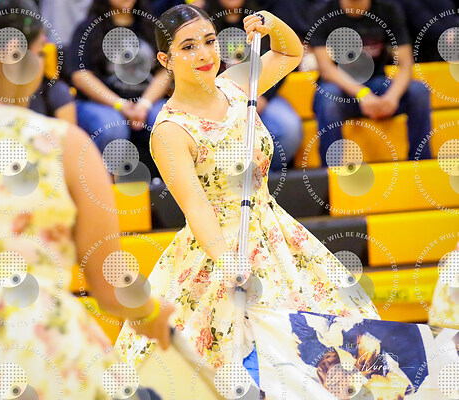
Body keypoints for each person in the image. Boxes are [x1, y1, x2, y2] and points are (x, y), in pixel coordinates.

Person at [116, 4, 379, 397]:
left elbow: (290, 52)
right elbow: (196, 206)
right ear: (165, 60)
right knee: (234, 361)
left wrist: (272, 24)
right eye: (188, 47)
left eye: (209, 41)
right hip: (220, 247)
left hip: (274, 231)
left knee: (331, 340)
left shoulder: (236, 84)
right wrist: (228, 261)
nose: (204, 54)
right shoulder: (170, 131)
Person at [0, 0, 174, 397]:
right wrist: (151, 313)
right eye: (40, 53)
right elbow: (109, 284)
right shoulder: (61, 143)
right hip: (34, 356)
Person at [310, 0, 433, 168]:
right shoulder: (323, 12)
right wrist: (362, 94)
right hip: (342, 89)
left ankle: (420, 166)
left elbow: (406, 64)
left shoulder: (388, 9)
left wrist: (392, 97)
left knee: (419, 91)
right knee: (328, 98)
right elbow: (326, 70)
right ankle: (331, 173)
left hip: (378, 84)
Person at [67, 0, 172, 177]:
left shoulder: (151, 25)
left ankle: (170, 186)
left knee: (166, 121)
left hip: (147, 101)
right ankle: (103, 187)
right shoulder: (88, 28)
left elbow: (166, 70)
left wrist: (144, 104)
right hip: (99, 104)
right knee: (112, 127)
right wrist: (120, 105)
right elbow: (80, 75)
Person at [203, 0, 304, 171]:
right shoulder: (205, 26)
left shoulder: (258, 22)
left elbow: (285, 56)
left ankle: (265, 172)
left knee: (289, 128)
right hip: (220, 97)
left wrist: (263, 97)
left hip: (260, 93)